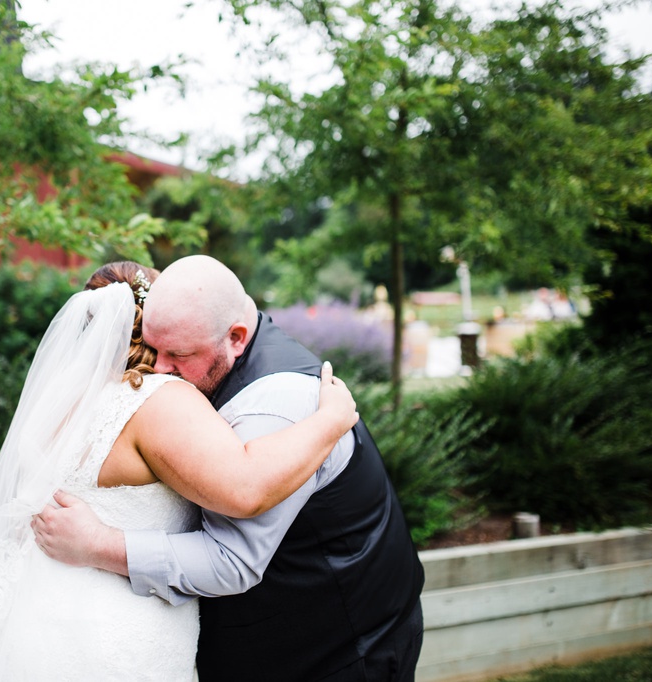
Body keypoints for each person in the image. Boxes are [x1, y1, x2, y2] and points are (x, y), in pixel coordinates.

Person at [0, 261, 358, 681]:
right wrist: (330, 421)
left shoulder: (61, 400)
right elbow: (245, 487)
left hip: (37, 618)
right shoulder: (161, 401)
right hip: (116, 636)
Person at [33, 255, 425, 682]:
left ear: (237, 337)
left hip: (334, 652)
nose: (159, 369)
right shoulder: (189, 371)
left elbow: (231, 559)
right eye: (153, 347)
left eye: (177, 354)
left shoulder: (273, 406)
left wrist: (98, 543)